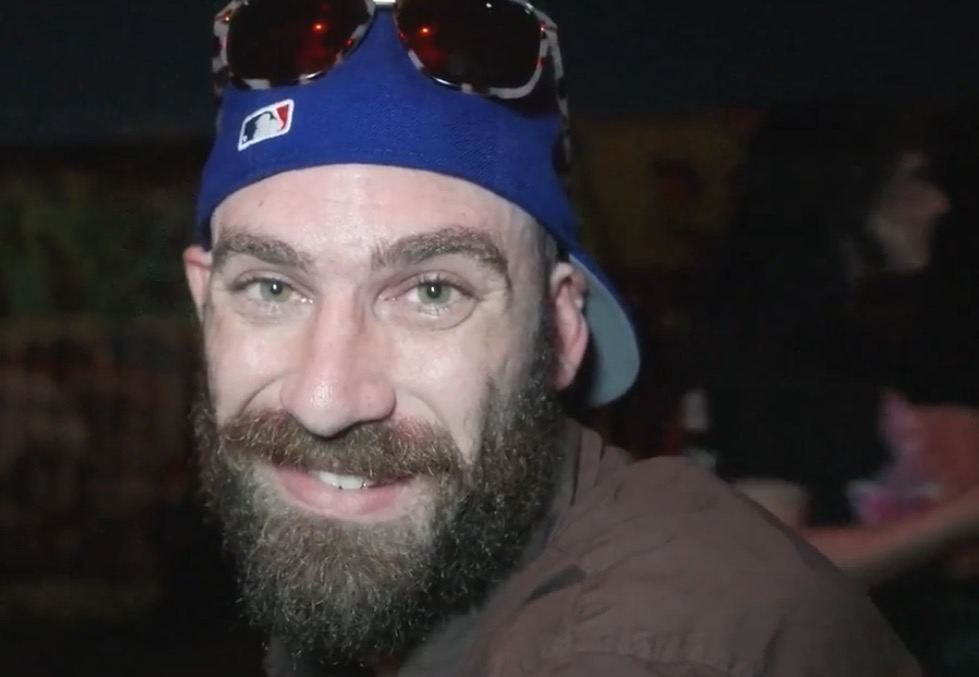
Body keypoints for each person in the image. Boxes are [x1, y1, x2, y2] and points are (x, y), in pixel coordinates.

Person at [184, 2, 919, 675]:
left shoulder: (635, 646)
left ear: (561, 329)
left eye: (433, 292)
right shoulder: (390, 577)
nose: (324, 401)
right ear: (203, 299)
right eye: (272, 288)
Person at [681, 101, 979, 675]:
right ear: (842, 194)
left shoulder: (827, 329)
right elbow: (768, 566)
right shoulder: (772, 347)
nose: (937, 203)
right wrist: (960, 518)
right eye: (913, 182)